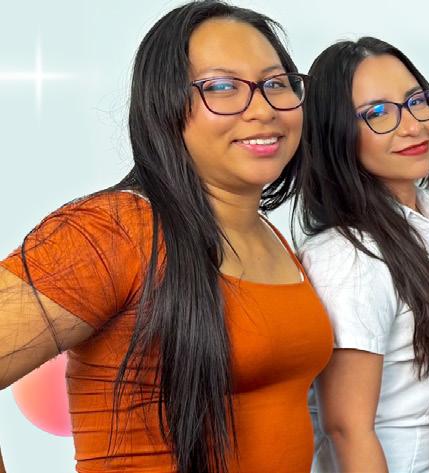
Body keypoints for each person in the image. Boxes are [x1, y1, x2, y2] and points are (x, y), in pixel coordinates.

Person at [0, 1, 332, 471]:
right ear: (165, 105)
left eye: (276, 83)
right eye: (222, 87)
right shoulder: (112, 231)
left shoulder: (269, 233)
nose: (263, 109)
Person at [295, 37, 429, 473]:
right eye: (377, 113)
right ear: (336, 133)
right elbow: (346, 429)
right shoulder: (348, 257)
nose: (412, 126)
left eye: (417, 101)